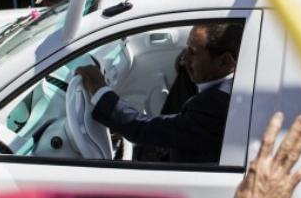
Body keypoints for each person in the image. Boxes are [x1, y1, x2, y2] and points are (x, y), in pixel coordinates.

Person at [78, 22, 243, 164]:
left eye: (193, 51)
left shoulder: (215, 106)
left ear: (225, 61)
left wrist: (100, 91)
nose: (184, 58)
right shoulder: (230, 83)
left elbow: (142, 128)